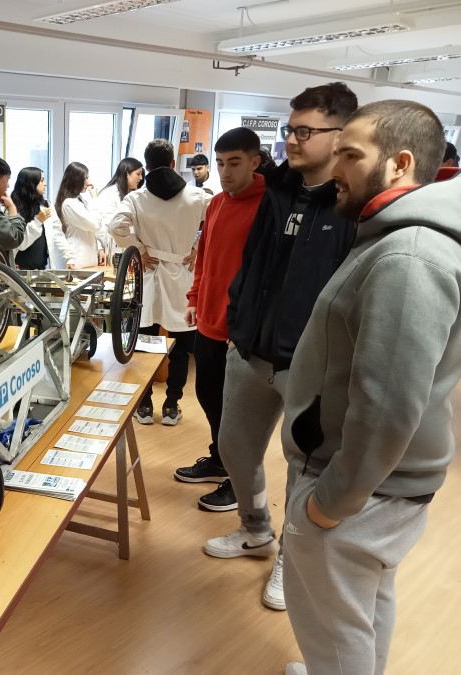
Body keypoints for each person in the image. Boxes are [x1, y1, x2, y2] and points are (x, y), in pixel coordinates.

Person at [281, 99, 458, 675]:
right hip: (381, 487)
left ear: (400, 164)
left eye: (351, 155)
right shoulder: (399, 239)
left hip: (361, 490)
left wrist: (332, 505)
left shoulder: (409, 254)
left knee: (333, 627)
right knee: (361, 608)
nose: (336, 169)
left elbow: (387, 406)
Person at [199, 82, 358, 613]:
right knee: (234, 447)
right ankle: (254, 528)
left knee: (302, 467)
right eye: (289, 129)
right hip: (251, 349)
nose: (291, 139)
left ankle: (292, 558)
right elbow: (254, 259)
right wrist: (239, 320)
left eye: (305, 131)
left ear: (341, 135)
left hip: (310, 362)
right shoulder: (280, 188)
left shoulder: (353, 202)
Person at [182, 127, 265, 490]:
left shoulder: (269, 207)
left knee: (238, 413)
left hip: (241, 330)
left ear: (255, 162)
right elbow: (205, 258)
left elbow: (267, 276)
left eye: (234, 163)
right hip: (208, 319)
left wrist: (247, 327)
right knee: (208, 396)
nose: (225, 171)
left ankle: (238, 481)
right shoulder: (215, 203)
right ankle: (220, 459)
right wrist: (194, 298)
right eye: (220, 163)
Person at [110, 139, 210, 424]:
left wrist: (139, 249)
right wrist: (197, 248)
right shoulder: (198, 196)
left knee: (145, 342)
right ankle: (172, 406)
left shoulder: (136, 198)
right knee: (180, 345)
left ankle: (144, 406)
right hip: (182, 276)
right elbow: (216, 224)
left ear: (147, 165)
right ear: (173, 164)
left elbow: (115, 226)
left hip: (149, 275)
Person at [10, 167, 72, 270]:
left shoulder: (46, 204)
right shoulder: (13, 208)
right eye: (41, 180)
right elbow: (21, 243)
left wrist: (69, 258)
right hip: (19, 270)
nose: (45, 184)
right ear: (31, 183)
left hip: (41, 268)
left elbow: (57, 233)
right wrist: (38, 221)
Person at [55, 162, 106, 268]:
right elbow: (95, 225)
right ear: (76, 180)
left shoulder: (80, 200)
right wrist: (95, 198)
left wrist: (100, 248)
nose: (88, 183)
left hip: (89, 257)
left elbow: (91, 229)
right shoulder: (69, 204)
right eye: (85, 179)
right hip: (78, 259)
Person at [90, 157, 145, 254]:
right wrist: (105, 251)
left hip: (125, 248)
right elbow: (106, 227)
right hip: (112, 250)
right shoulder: (110, 194)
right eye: (138, 174)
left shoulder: (130, 194)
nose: (140, 178)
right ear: (127, 174)